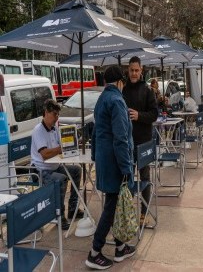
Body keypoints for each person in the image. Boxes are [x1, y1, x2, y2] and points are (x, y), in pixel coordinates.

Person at [86, 66, 135, 270]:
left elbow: (96, 132)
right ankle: (94, 252)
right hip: (116, 163)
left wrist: (95, 156)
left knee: (114, 205)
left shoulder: (102, 99)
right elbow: (121, 138)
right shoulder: (116, 100)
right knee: (112, 207)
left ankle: (120, 246)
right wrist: (126, 167)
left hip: (105, 162)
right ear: (120, 82)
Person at [31, 99, 82, 231]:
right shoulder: (38, 130)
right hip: (40, 171)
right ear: (46, 113)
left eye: (58, 115)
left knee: (76, 170)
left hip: (54, 167)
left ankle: (72, 208)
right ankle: (59, 215)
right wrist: (62, 148)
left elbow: (63, 148)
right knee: (61, 179)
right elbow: (45, 154)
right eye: (54, 114)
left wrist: (73, 144)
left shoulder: (54, 129)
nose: (56, 117)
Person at [123, 56, 158, 225]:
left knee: (144, 178)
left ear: (141, 71)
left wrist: (139, 116)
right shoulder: (122, 89)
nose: (134, 73)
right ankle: (127, 210)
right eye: (132, 70)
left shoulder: (147, 90)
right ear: (128, 71)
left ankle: (144, 212)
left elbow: (154, 114)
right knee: (127, 178)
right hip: (127, 143)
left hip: (143, 142)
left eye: (137, 70)